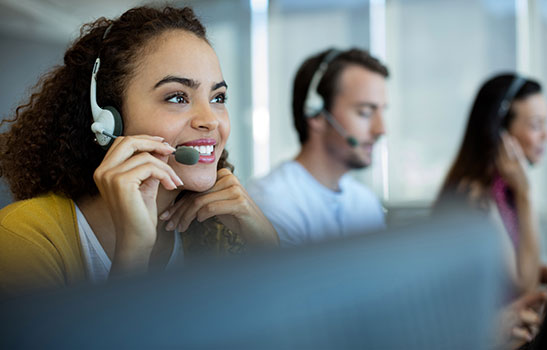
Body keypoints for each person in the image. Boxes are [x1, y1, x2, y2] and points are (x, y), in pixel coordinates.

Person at [0, 5, 278, 298]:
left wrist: (267, 246)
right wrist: (133, 253)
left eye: (218, 97)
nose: (210, 120)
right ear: (108, 118)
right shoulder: (23, 239)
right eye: (177, 97)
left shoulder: (215, 229)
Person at [434, 73, 547, 348]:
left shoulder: (502, 187)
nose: (546, 135)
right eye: (536, 125)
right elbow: (524, 282)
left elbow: (519, 264)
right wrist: (526, 194)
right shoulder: (476, 195)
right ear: (500, 133)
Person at [247, 48, 388, 247]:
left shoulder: (365, 203)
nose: (381, 129)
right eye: (365, 112)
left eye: (382, 112)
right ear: (317, 115)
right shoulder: (271, 202)